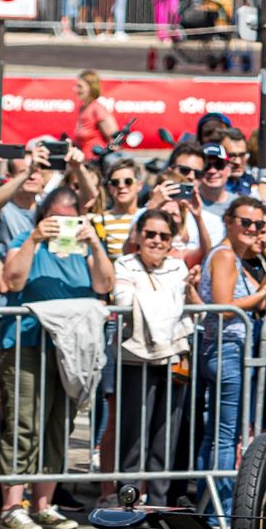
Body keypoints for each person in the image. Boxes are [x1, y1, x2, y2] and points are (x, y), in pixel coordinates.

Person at [0, 185, 112, 529]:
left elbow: (105, 284)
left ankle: (44, 503)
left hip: (71, 349)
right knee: (23, 423)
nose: (61, 226)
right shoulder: (24, 239)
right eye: (54, 219)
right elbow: (12, 280)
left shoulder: (84, 248)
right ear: (43, 217)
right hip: (28, 342)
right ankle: (12, 505)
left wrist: (93, 242)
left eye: (69, 219)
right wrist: (33, 238)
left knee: (58, 424)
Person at [199, 195, 266, 514]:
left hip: (231, 350)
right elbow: (223, 305)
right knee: (224, 435)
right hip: (228, 350)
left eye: (259, 224)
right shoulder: (223, 255)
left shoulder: (236, 256)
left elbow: (257, 303)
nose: (252, 229)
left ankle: (211, 506)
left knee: (220, 433)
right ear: (228, 222)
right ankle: (219, 508)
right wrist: (262, 292)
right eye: (245, 222)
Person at [110, 208, 194, 506]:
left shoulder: (177, 268)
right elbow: (122, 301)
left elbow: (183, 302)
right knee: (134, 432)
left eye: (164, 236)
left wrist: (149, 300)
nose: (157, 241)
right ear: (138, 236)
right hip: (135, 356)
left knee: (165, 433)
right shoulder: (124, 263)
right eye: (150, 234)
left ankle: (157, 502)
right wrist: (167, 303)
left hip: (174, 356)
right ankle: (128, 499)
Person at [72, 69, 120, 158]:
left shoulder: (98, 109)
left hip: (96, 164)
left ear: (91, 88)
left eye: (80, 86)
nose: (75, 89)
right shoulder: (82, 108)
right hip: (83, 162)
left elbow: (115, 141)